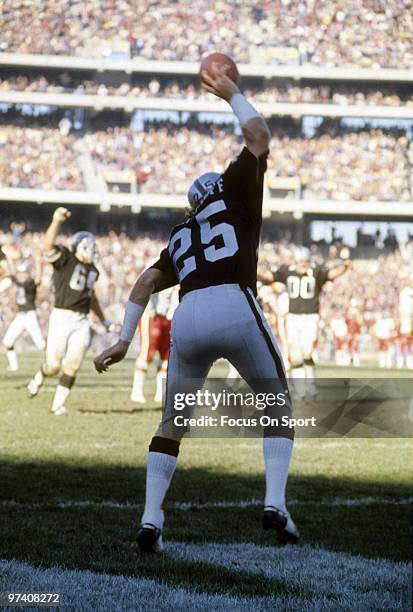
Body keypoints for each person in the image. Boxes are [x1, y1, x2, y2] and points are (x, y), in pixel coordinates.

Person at [95, 66, 299, 552]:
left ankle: (150, 519)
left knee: (172, 423)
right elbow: (259, 135)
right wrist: (231, 93)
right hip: (234, 301)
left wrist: (125, 339)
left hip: (188, 315)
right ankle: (274, 500)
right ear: (220, 189)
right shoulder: (237, 193)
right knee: (279, 408)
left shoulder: (181, 233)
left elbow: (145, 282)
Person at [27, 207, 111, 416]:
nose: (92, 251)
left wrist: (105, 321)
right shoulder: (66, 259)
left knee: (72, 364)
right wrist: (56, 221)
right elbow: (47, 246)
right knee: (53, 367)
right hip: (61, 317)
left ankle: (57, 405)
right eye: (89, 246)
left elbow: (91, 299)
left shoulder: (93, 270)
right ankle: (40, 375)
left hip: (81, 320)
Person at [259, 249, 351, 397]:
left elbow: (331, 274)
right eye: (300, 261)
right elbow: (269, 276)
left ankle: (311, 384)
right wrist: (251, 265)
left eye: (305, 261)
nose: (303, 264)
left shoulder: (316, 272)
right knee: (295, 355)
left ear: (309, 261)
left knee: (307, 351)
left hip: (311, 317)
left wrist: (345, 267)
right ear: (295, 261)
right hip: (293, 317)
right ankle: (300, 390)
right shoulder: (287, 271)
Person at [131, 287, 178, 403]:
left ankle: (160, 394)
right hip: (152, 315)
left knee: (166, 355)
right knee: (148, 353)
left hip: (168, 316)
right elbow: (146, 285)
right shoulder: (152, 268)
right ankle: (136, 391)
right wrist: (151, 308)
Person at [2, 247, 45, 371]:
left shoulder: (30, 283)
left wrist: (38, 262)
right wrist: (9, 256)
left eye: (23, 273)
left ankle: (56, 361)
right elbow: (13, 271)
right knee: (7, 342)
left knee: (41, 344)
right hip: (21, 316)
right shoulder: (18, 281)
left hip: (30, 315)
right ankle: (14, 366)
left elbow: (38, 278)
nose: (21, 275)